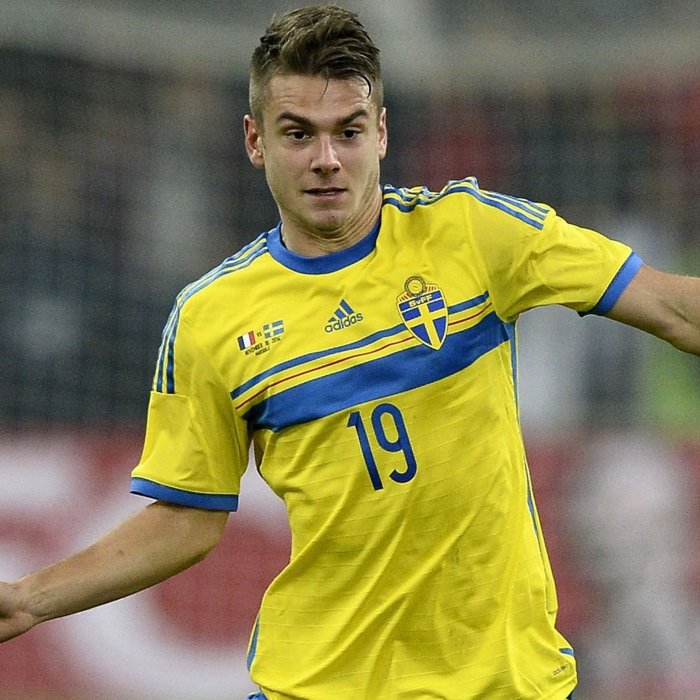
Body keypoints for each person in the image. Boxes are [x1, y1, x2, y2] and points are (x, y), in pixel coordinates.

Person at [1, 5, 699, 699]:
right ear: (255, 140)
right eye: (298, 133)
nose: (327, 159)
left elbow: (671, 307)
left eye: (349, 131)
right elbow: (186, 516)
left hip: (507, 686)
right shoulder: (212, 318)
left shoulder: (472, 232)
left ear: (382, 133)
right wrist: (30, 598)